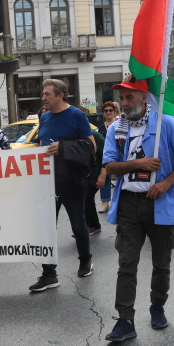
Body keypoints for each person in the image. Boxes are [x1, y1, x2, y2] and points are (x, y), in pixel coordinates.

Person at [102, 77, 174, 342]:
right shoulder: (116, 130)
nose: (124, 103)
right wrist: (138, 164)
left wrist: (167, 183)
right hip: (129, 205)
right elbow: (110, 166)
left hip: (161, 203)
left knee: (161, 263)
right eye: (122, 98)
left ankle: (157, 307)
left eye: (129, 97)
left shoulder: (166, 124)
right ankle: (125, 320)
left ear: (144, 97)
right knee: (126, 263)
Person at [30, 79, 96, 291]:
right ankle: (49, 274)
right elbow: (41, 145)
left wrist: (64, 148)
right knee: (47, 229)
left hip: (72, 181)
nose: (44, 98)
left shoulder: (77, 115)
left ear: (60, 95)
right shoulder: (45, 116)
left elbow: (91, 146)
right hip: (49, 183)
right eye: (43, 94)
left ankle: (85, 260)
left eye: (48, 94)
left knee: (78, 225)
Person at [98, 101, 120, 212]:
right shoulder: (101, 128)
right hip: (106, 155)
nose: (108, 112)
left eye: (110, 110)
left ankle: (120, 202)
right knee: (105, 177)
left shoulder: (120, 125)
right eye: (106, 110)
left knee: (121, 178)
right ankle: (105, 203)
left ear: (115, 111)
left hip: (119, 155)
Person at [84, 127, 106, 235]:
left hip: (95, 175)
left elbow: (106, 156)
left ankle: (93, 225)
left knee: (87, 197)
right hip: (83, 176)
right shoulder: (73, 135)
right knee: (84, 199)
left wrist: (102, 176)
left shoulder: (95, 135)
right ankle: (89, 225)